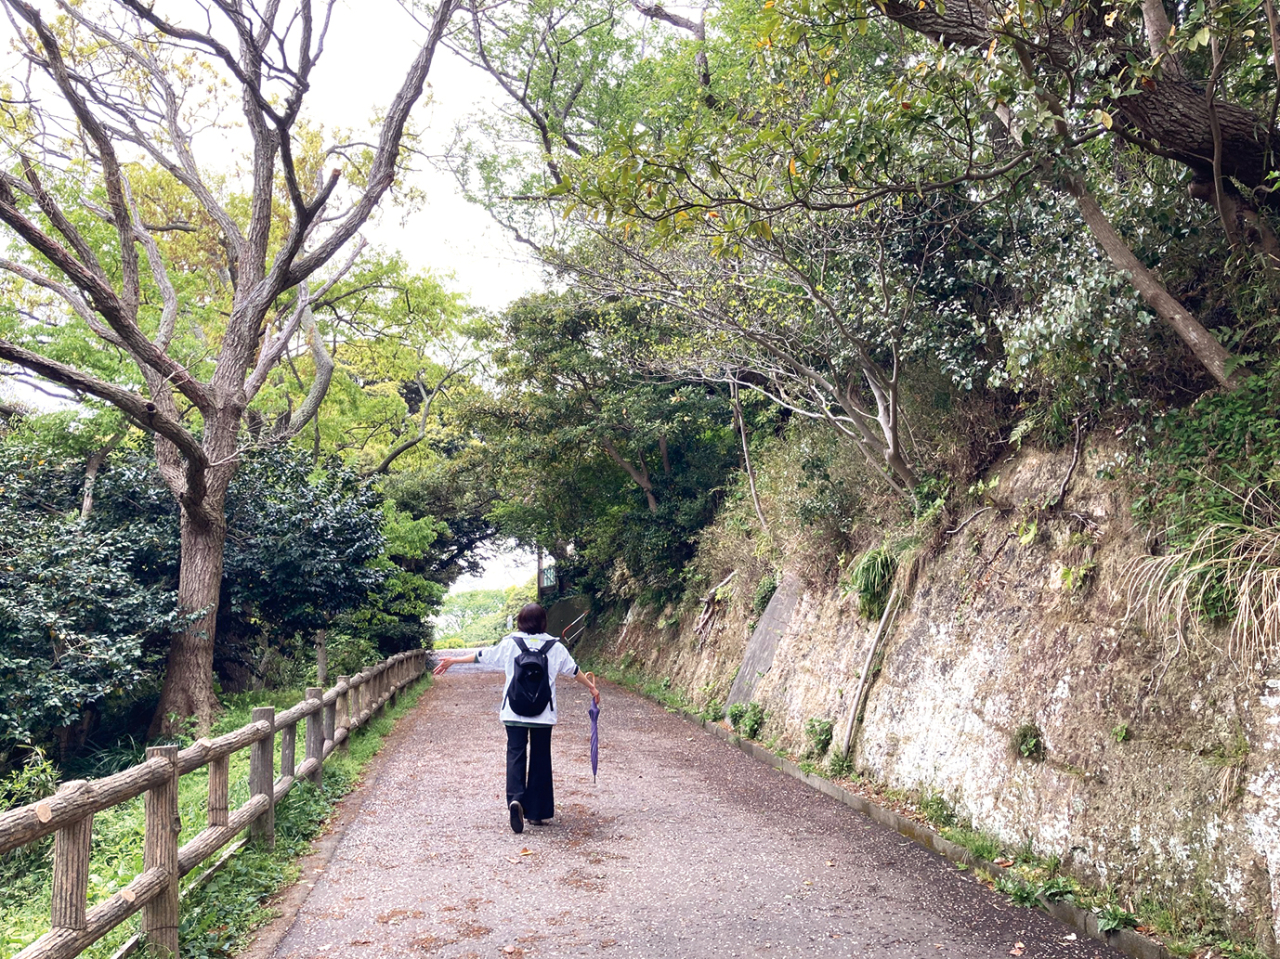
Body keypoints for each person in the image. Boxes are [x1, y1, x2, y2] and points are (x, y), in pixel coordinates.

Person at [433, 602, 600, 834]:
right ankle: (538, 812)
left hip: (513, 711)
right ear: (544, 622)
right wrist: (592, 687)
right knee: (541, 758)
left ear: (520, 621)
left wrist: (454, 661)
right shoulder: (555, 646)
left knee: (515, 753)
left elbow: (483, 656)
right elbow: (573, 671)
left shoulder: (510, 643)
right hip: (543, 714)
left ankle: (516, 799)